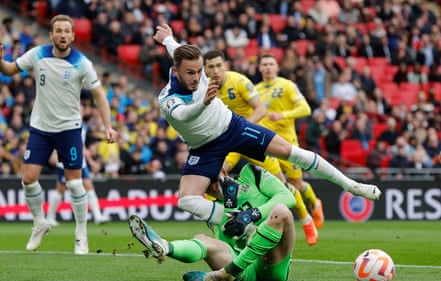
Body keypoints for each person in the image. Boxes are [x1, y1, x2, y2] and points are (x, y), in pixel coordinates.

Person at [152, 24, 380, 237]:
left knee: (290, 152)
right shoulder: (167, 99)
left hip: (231, 127)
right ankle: (237, 220)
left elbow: (176, 48)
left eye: (199, 71)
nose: (197, 77)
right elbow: (183, 114)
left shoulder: (192, 66)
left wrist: (167, 39)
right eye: (190, 73)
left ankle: (350, 185)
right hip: (204, 146)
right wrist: (202, 103)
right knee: (186, 200)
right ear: (176, 71)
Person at [0, 15, 118, 254]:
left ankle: (81, 234)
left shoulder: (82, 63)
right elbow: (9, 70)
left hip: (69, 129)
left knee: (75, 183)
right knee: (28, 179)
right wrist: (0, 63)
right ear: (51, 35)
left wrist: (107, 126)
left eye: (66, 31)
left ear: (72, 35)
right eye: (57, 30)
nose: (62, 35)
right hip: (40, 128)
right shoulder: (37, 54)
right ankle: (40, 223)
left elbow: (99, 94)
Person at [203, 50, 319, 246]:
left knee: (286, 185)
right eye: (210, 67)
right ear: (204, 69)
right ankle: (224, 222)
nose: (215, 71)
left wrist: (240, 130)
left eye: (218, 66)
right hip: (230, 144)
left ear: (225, 65)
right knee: (213, 176)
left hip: (253, 139)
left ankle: (307, 220)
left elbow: (261, 109)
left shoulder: (240, 81)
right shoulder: (203, 89)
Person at [129, 164, 297, 281]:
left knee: (281, 211)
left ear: (223, 171)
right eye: (208, 188)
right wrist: (230, 213)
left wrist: (249, 215)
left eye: (215, 181)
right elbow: (227, 245)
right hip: (243, 269)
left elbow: (288, 197)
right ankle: (164, 247)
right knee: (203, 238)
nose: (214, 189)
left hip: (273, 263)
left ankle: (224, 274)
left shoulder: (251, 174)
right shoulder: (213, 210)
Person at [255, 53, 325, 233]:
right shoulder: (255, 90)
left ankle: (315, 203)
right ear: (260, 68)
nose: (268, 67)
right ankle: (300, 220)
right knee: (280, 185)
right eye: (265, 64)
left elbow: (306, 109)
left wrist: (283, 115)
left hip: (287, 143)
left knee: (298, 185)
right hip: (266, 145)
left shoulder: (287, 85)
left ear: (277, 67)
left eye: (271, 64)